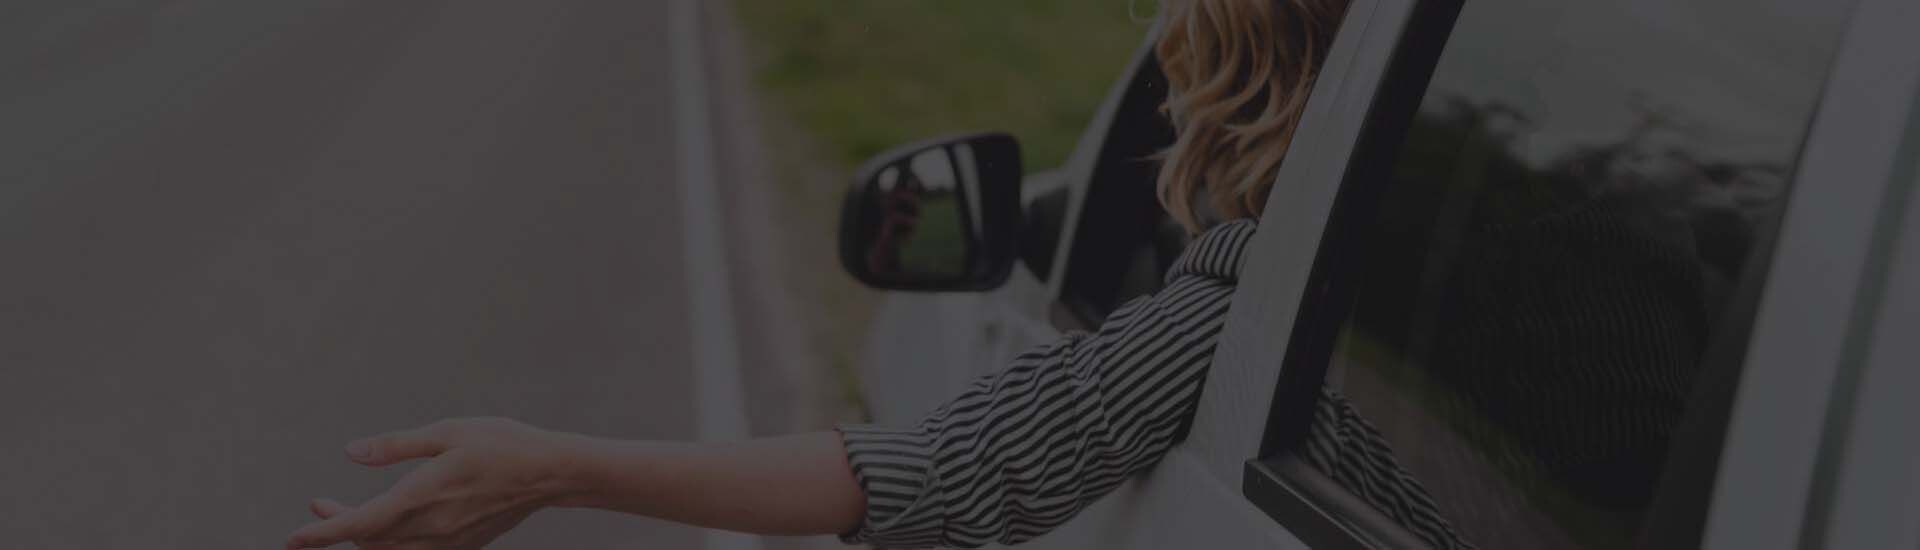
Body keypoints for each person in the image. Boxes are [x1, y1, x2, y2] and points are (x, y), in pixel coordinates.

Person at [283, 1, 1470, 548]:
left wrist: (553, 469)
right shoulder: (1452, 301)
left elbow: (939, 473)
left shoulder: (1238, 311)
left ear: (1234, 86)